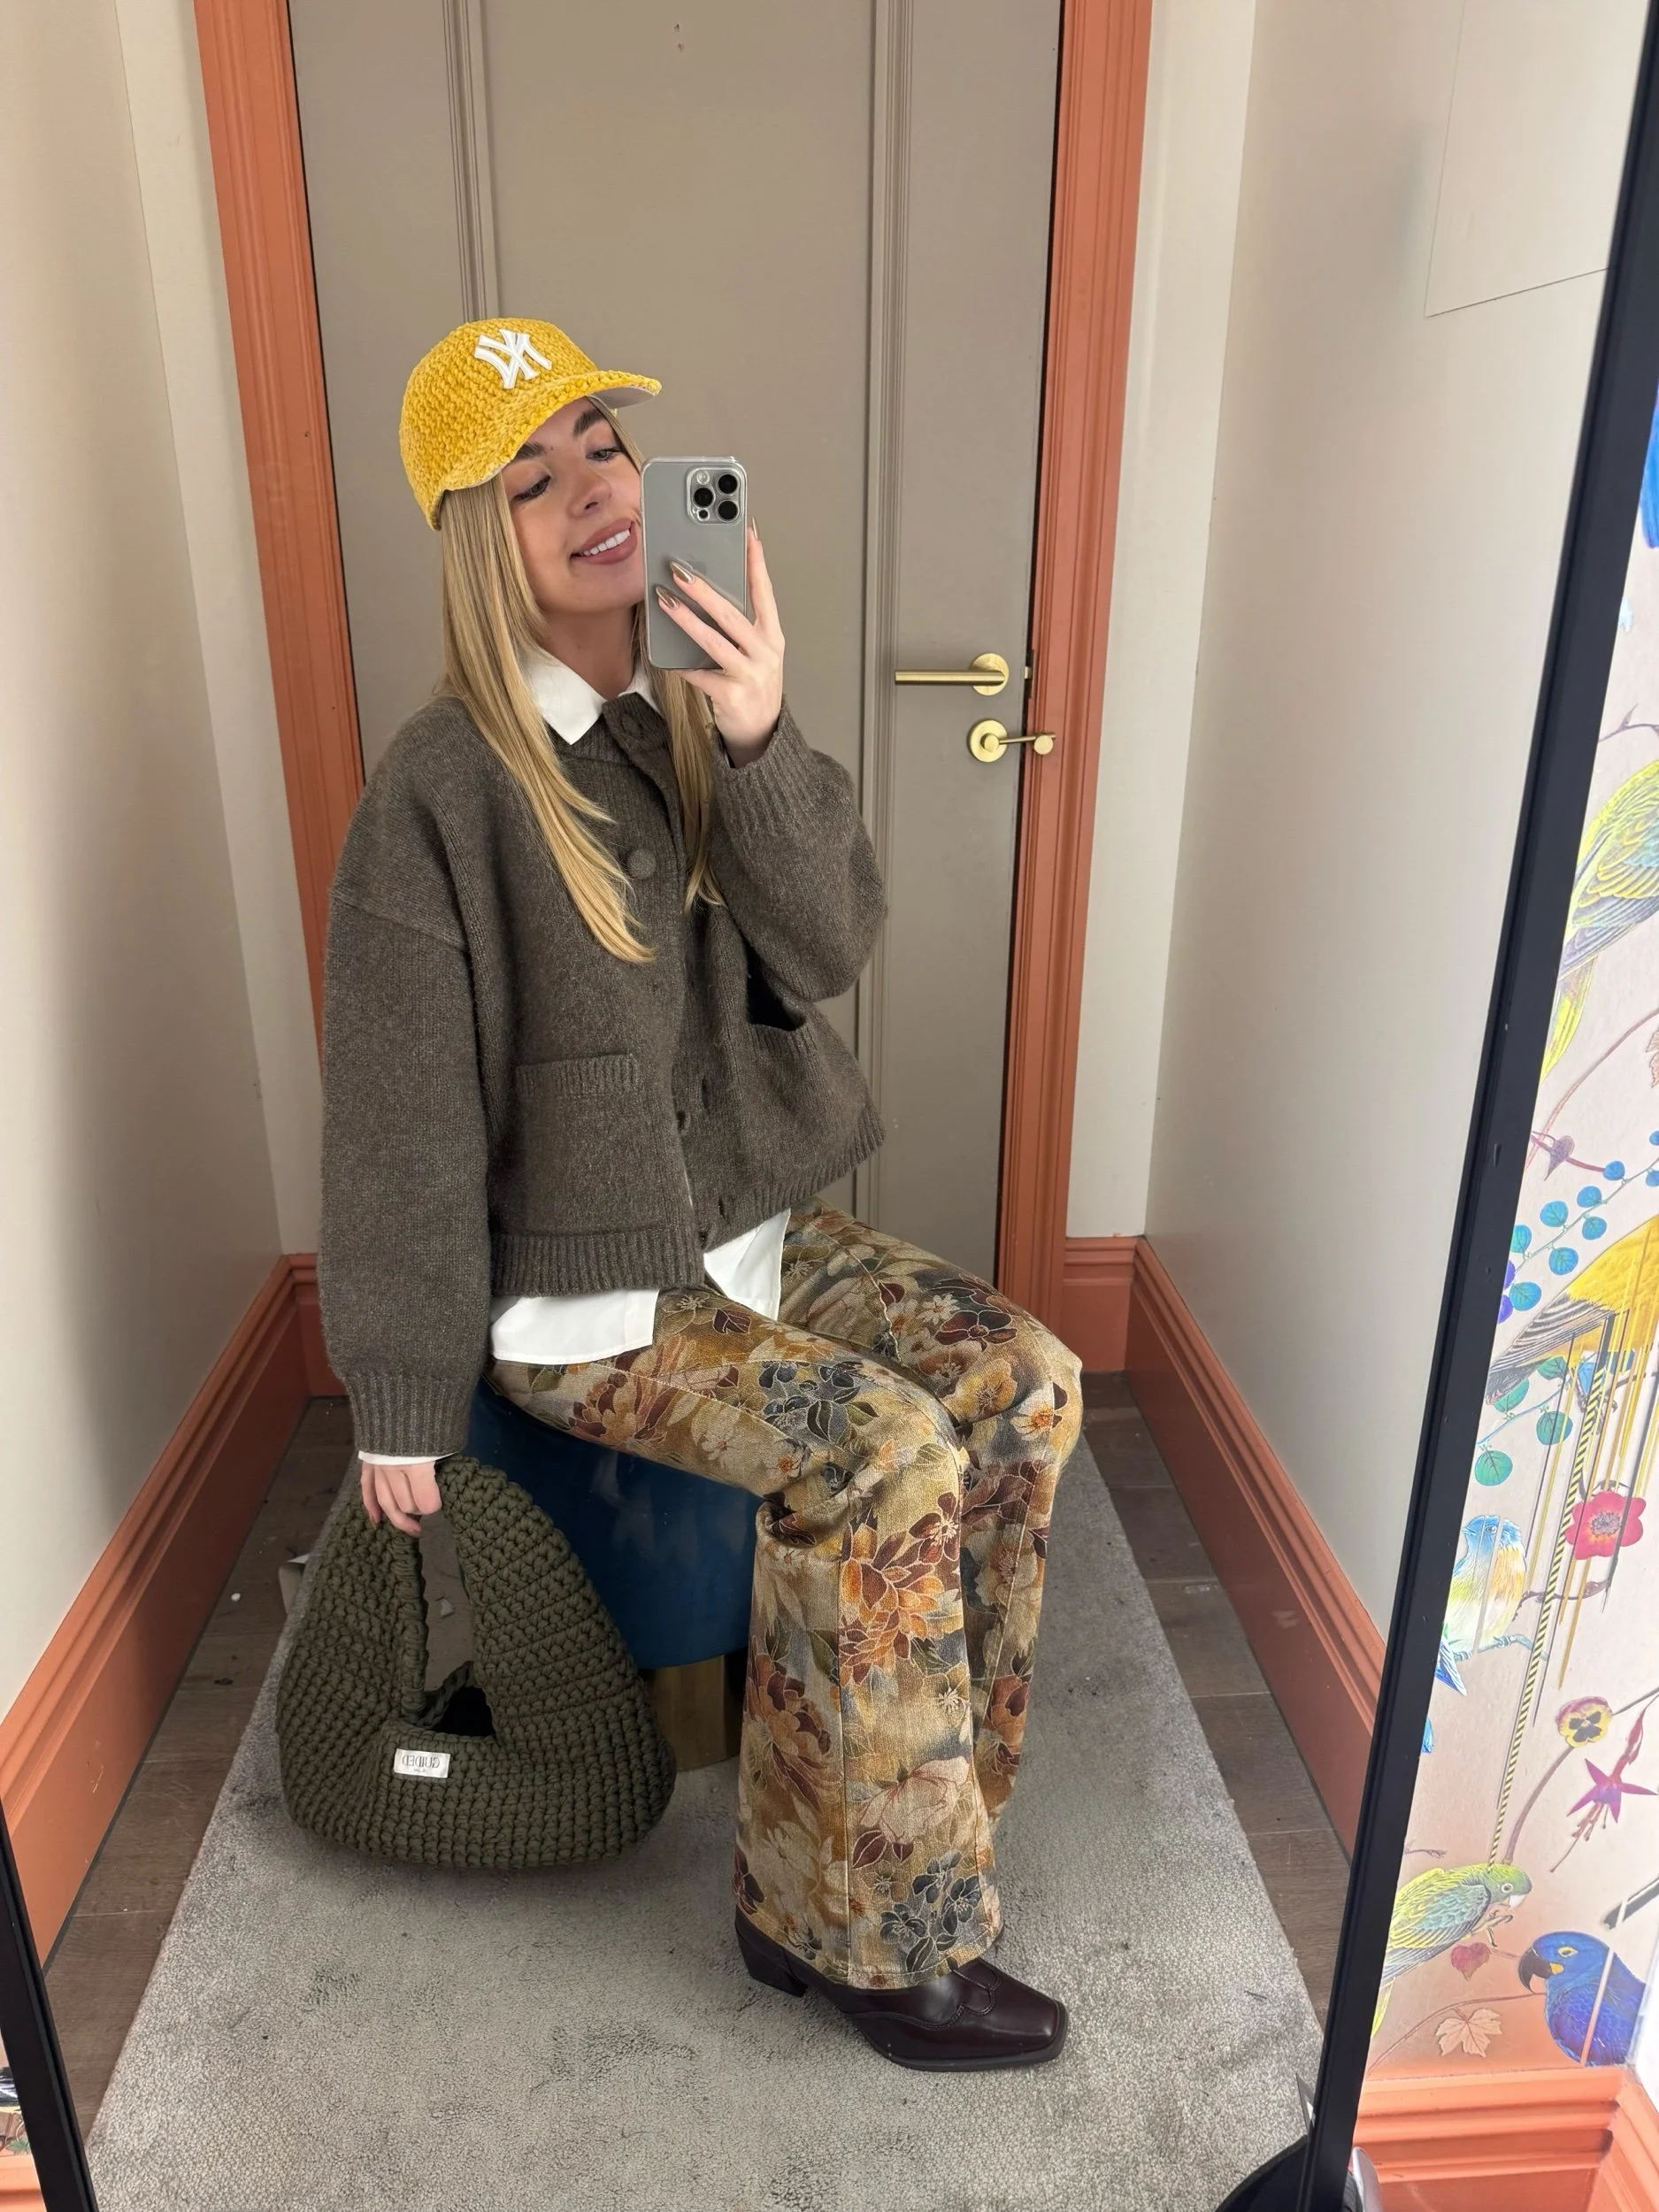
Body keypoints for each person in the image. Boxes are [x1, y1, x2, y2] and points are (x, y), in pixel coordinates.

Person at [318, 317, 1085, 2070]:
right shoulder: (440, 792)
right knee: (882, 1456)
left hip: (748, 1235)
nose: (592, 488)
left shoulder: (686, 717)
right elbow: (398, 1126)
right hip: (585, 1301)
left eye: (603, 445)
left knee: (1024, 1379)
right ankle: (878, 1943)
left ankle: (892, 1840)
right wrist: (399, 1398)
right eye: (532, 477)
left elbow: (831, 943)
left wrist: (757, 734)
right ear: (477, 539)